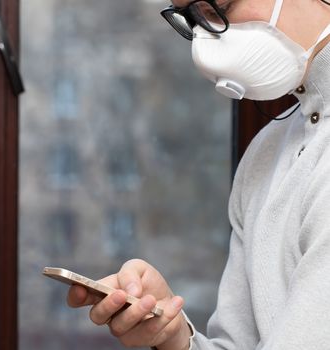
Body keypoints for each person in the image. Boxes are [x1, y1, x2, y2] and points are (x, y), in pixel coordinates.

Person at [66, 0, 330, 349]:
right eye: (194, 17)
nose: (208, 41)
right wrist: (175, 338)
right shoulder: (266, 153)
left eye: (219, 7)